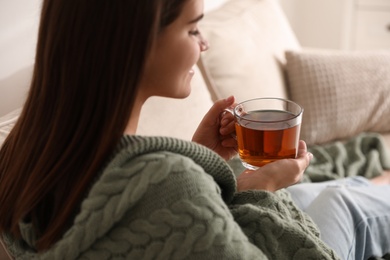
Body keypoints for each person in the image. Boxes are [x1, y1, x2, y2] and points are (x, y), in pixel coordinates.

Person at [0, 0, 389, 259]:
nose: (203, 44)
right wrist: (263, 187)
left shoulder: (22, 156)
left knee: (326, 190)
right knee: (342, 202)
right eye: (192, 30)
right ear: (135, 45)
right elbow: (175, 207)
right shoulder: (166, 181)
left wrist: (204, 159)